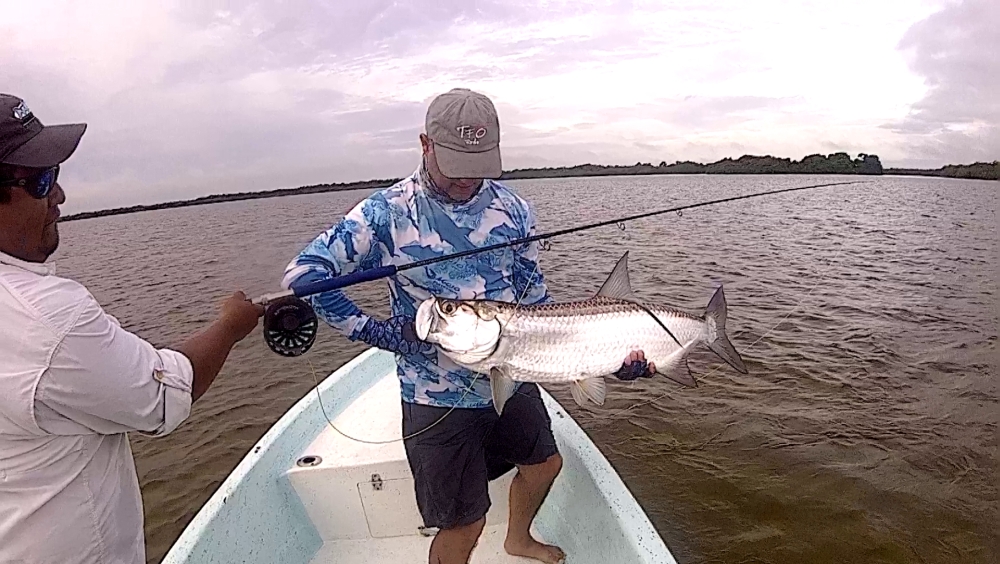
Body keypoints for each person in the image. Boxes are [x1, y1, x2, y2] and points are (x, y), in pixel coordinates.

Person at [281, 88, 656, 564]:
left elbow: (534, 297)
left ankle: (518, 538)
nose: (468, 179)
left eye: (479, 164)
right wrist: (376, 331)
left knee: (545, 465)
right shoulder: (384, 214)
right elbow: (302, 276)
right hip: (433, 391)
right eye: (457, 164)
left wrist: (602, 354)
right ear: (426, 145)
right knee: (464, 522)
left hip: (513, 369)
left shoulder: (514, 210)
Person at [0, 93, 265, 564]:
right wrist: (230, 326)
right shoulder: (47, 318)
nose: (59, 195)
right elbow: (161, 399)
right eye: (41, 180)